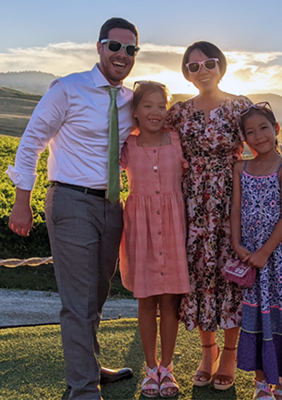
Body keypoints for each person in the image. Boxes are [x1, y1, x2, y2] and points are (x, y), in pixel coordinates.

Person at [6, 17, 139, 400]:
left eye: (130, 49)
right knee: (78, 299)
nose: (122, 55)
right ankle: (82, 389)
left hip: (110, 207)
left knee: (97, 292)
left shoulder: (129, 99)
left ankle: (90, 366)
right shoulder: (68, 89)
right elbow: (31, 141)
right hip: (70, 200)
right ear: (99, 47)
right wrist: (22, 202)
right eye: (115, 46)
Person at [167, 41, 282, 391]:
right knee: (201, 276)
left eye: (209, 63)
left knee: (231, 279)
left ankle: (229, 354)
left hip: (233, 199)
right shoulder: (178, 112)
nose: (203, 71)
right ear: (186, 72)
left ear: (221, 65)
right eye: (193, 66)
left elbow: (265, 140)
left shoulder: (240, 106)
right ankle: (207, 351)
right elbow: (148, 126)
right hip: (194, 202)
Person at [231, 102, 282, 400]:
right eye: (250, 132)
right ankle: (260, 381)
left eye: (263, 128)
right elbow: (237, 210)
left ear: (277, 129)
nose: (258, 137)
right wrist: (237, 244)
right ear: (243, 138)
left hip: (280, 258)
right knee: (257, 315)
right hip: (251, 256)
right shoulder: (240, 168)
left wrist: (265, 253)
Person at [118, 81, 190, 398]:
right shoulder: (127, 146)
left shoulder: (176, 140)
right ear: (134, 111)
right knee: (146, 301)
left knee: (170, 302)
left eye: (162, 106)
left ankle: (167, 367)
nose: (156, 112)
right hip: (140, 229)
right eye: (148, 106)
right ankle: (150, 369)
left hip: (174, 227)